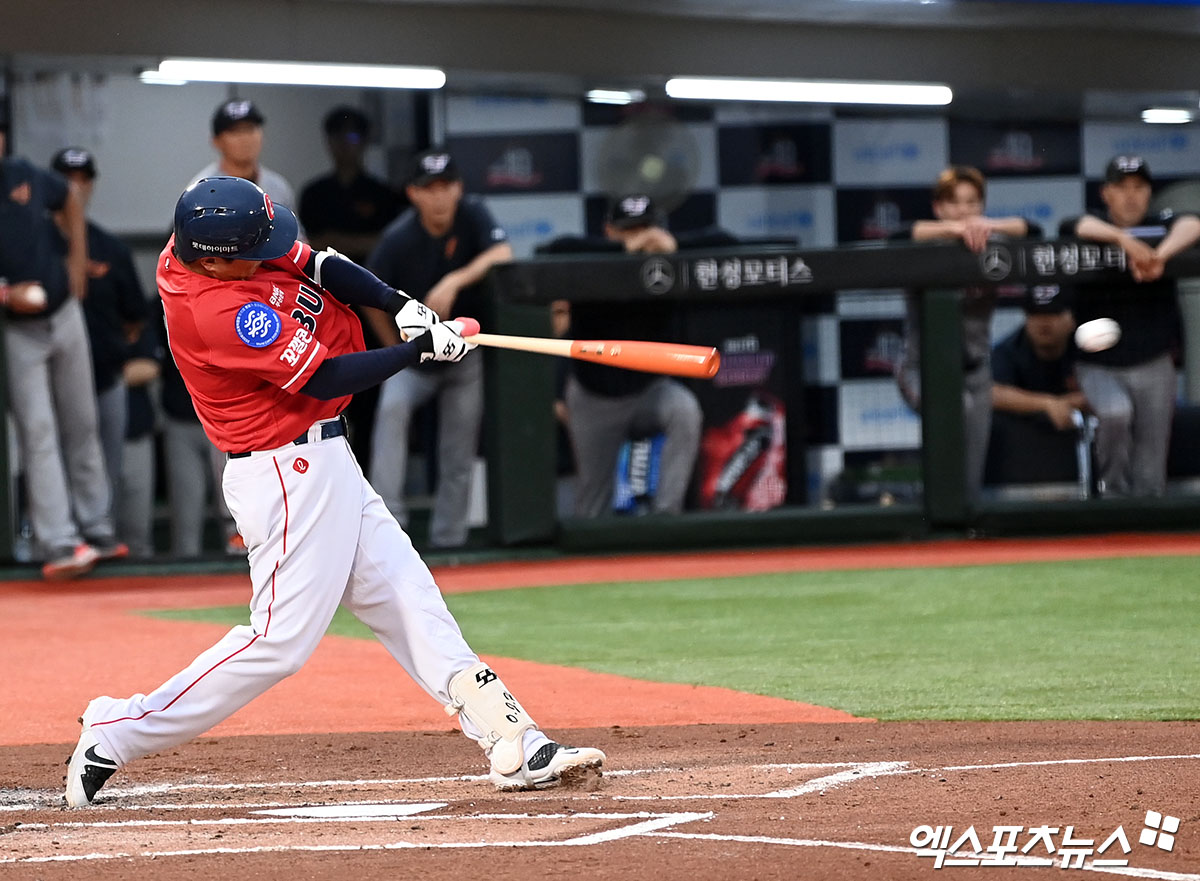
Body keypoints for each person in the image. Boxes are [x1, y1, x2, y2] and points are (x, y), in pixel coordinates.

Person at [65, 176, 604, 808]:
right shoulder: (214, 311)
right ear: (211, 260)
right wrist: (416, 350)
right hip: (286, 473)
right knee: (277, 644)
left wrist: (397, 303)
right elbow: (323, 376)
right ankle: (117, 732)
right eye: (253, 252)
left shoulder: (210, 241)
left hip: (325, 459)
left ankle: (513, 740)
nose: (268, 254)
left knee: (407, 596)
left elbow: (319, 263)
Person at [363, 148, 513, 548]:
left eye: (446, 186)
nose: (439, 196)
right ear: (413, 193)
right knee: (391, 415)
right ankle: (387, 530)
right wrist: (392, 349)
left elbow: (502, 252)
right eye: (429, 188)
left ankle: (450, 539)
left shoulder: (473, 214)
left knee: (458, 449)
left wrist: (454, 281)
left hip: (463, 354)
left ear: (458, 188)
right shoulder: (398, 237)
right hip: (416, 355)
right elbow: (368, 296)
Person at [0, 127, 126, 579]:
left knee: (82, 420)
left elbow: (69, 197)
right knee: (38, 431)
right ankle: (59, 541)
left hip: (62, 310)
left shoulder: (20, 172)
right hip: (18, 327)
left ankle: (97, 528)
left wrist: (76, 258)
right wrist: (5, 294)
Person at [537, 195, 703, 518]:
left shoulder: (664, 263)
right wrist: (624, 251)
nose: (639, 238)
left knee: (684, 410)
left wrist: (675, 247)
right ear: (609, 232)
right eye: (629, 231)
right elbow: (557, 248)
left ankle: (666, 518)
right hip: (594, 397)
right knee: (592, 508)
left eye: (645, 230)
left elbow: (724, 241)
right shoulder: (589, 262)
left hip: (649, 391)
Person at [890, 165, 1043, 502]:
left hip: (975, 371)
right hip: (921, 370)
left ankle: (966, 523)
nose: (964, 211)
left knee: (972, 468)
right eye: (955, 203)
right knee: (954, 412)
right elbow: (896, 236)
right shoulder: (923, 243)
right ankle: (933, 513)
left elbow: (1033, 230)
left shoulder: (991, 244)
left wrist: (988, 226)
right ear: (939, 207)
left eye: (972, 203)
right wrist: (954, 229)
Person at [190, 98, 303, 553]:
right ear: (218, 141)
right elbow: (195, 269)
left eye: (253, 128)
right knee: (234, 418)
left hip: (273, 307)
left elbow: (297, 253)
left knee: (291, 409)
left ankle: (291, 513)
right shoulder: (200, 190)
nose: (247, 138)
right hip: (227, 312)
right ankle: (236, 525)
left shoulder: (277, 186)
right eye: (236, 130)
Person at [1059, 155, 1200, 497]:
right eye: (1122, 187)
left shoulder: (1161, 227)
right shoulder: (1093, 225)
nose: (1131, 195)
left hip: (1154, 362)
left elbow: (1193, 223)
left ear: (1149, 192)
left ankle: (1147, 518)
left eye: (1139, 187)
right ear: (1106, 193)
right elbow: (1075, 224)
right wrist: (1125, 241)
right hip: (1099, 364)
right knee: (1115, 414)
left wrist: (1159, 256)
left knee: (1151, 463)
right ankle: (1112, 500)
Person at [299, 105, 406, 473]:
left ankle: (368, 481)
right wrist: (350, 246)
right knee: (327, 399)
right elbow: (309, 249)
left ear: (364, 142)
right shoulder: (315, 193)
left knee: (374, 404)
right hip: (322, 309)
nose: (346, 145)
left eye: (354, 137)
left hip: (373, 308)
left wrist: (338, 242)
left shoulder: (382, 194)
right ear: (328, 142)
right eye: (339, 138)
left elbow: (387, 246)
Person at [51, 147, 149, 526]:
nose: (75, 187)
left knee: (107, 469)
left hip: (106, 377)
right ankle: (60, 540)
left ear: (92, 185)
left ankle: (101, 537)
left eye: (82, 179)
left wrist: (114, 349)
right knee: (53, 465)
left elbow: (135, 317)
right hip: (51, 378)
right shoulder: (36, 243)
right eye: (66, 179)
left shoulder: (111, 249)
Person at [986, 285, 1091, 486]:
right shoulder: (1011, 348)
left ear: (1072, 317)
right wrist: (1048, 404)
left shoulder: (1086, 345)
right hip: (1022, 451)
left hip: (1080, 440)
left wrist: (1071, 403)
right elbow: (993, 392)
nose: (1043, 322)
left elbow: (1110, 388)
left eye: (1053, 313)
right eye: (1035, 314)